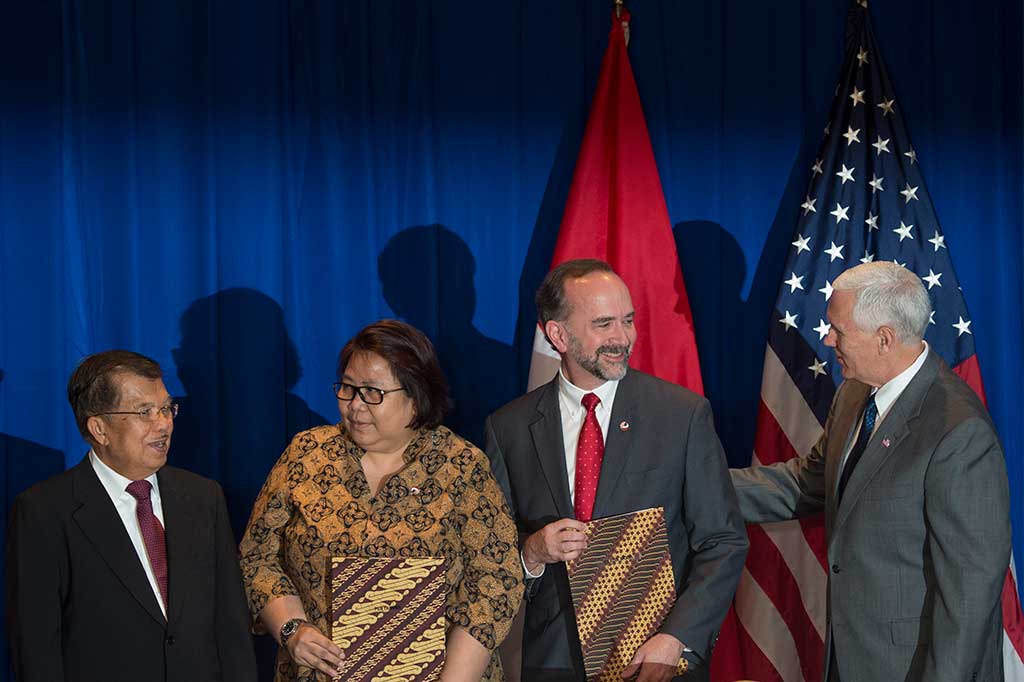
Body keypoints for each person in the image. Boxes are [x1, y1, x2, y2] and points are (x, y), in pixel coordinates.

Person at [731, 261, 1011, 682]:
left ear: (884, 338)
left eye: (838, 330)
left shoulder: (959, 432)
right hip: (849, 658)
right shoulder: (854, 394)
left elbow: (969, 598)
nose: (827, 339)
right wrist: (697, 485)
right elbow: (808, 482)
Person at [485, 259, 748, 682]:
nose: (622, 338)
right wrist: (531, 553)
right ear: (558, 334)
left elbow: (723, 542)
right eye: (604, 324)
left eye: (628, 321)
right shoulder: (508, 428)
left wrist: (677, 638)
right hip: (553, 661)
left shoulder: (681, 414)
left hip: (654, 658)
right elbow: (487, 555)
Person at [239, 319, 523, 682]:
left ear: (415, 395)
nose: (355, 406)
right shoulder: (306, 454)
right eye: (347, 388)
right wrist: (293, 630)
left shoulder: (461, 466)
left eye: (372, 392)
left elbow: (496, 580)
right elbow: (257, 558)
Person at [6, 350, 257, 682]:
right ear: (99, 428)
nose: (164, 423)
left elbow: (232, 626)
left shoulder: (203, 496)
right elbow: (37, 650)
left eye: (167, 408)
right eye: (145, 412)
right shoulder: (45, 511)